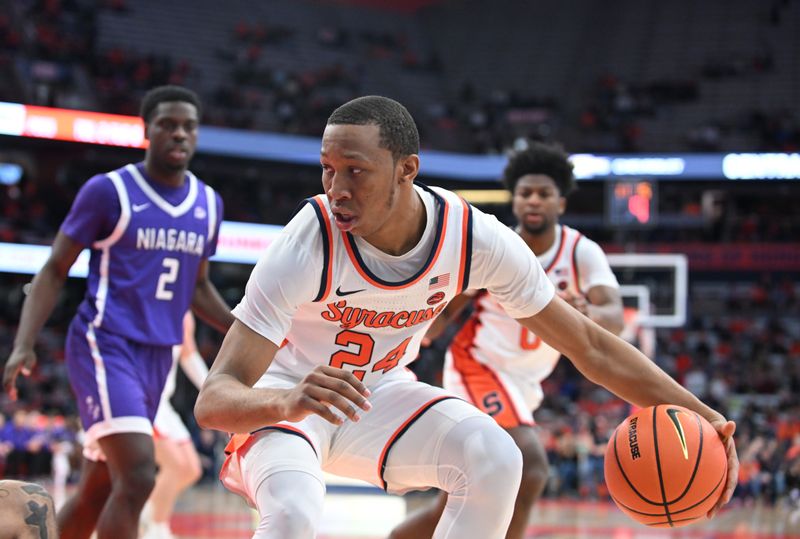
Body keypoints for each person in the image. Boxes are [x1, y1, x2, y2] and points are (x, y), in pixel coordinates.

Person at [194, 95, 738, 539]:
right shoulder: (307, 240)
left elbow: (590, 347)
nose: (336, 189)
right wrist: (285, 401)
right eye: (328, 170)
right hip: (286, 398)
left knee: (499, 456)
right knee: (293, 514)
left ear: (407, 170)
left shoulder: (475, 239)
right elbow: (214, 398)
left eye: (355, 171)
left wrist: (706, 417)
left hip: (375, 394)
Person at [3, 85, 234, 539]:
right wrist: (24, 344)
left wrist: (247, 329)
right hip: (105, 343)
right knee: (140, 476)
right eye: (167, 124)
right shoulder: (109, 192)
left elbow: (199, 286)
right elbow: (53, 270)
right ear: (147, 130)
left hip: (156, 357)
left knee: (99, 488)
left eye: (188, 126)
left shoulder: (209, 204)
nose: (179, 134)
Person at [390, 141, 625, 539]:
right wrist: (406, 342)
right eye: (525, 193)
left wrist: (587, 314)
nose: (534, 200)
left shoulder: (581, 252)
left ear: (560, 204)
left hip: (526, 382)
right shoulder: (496, 244)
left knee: (465, 493)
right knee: (529, 464)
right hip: (477, 364)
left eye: (544, 194)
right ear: (514, 201)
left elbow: (614, 315)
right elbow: (450, 307)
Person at [140, 311, 208, 539]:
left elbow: (188, 354)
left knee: (191, 469)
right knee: (175, 465)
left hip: (163, 404)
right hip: (142, 398)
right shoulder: (147, 303)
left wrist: (211, 388)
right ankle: (157, 527)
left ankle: (146, 512)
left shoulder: (184, 314)